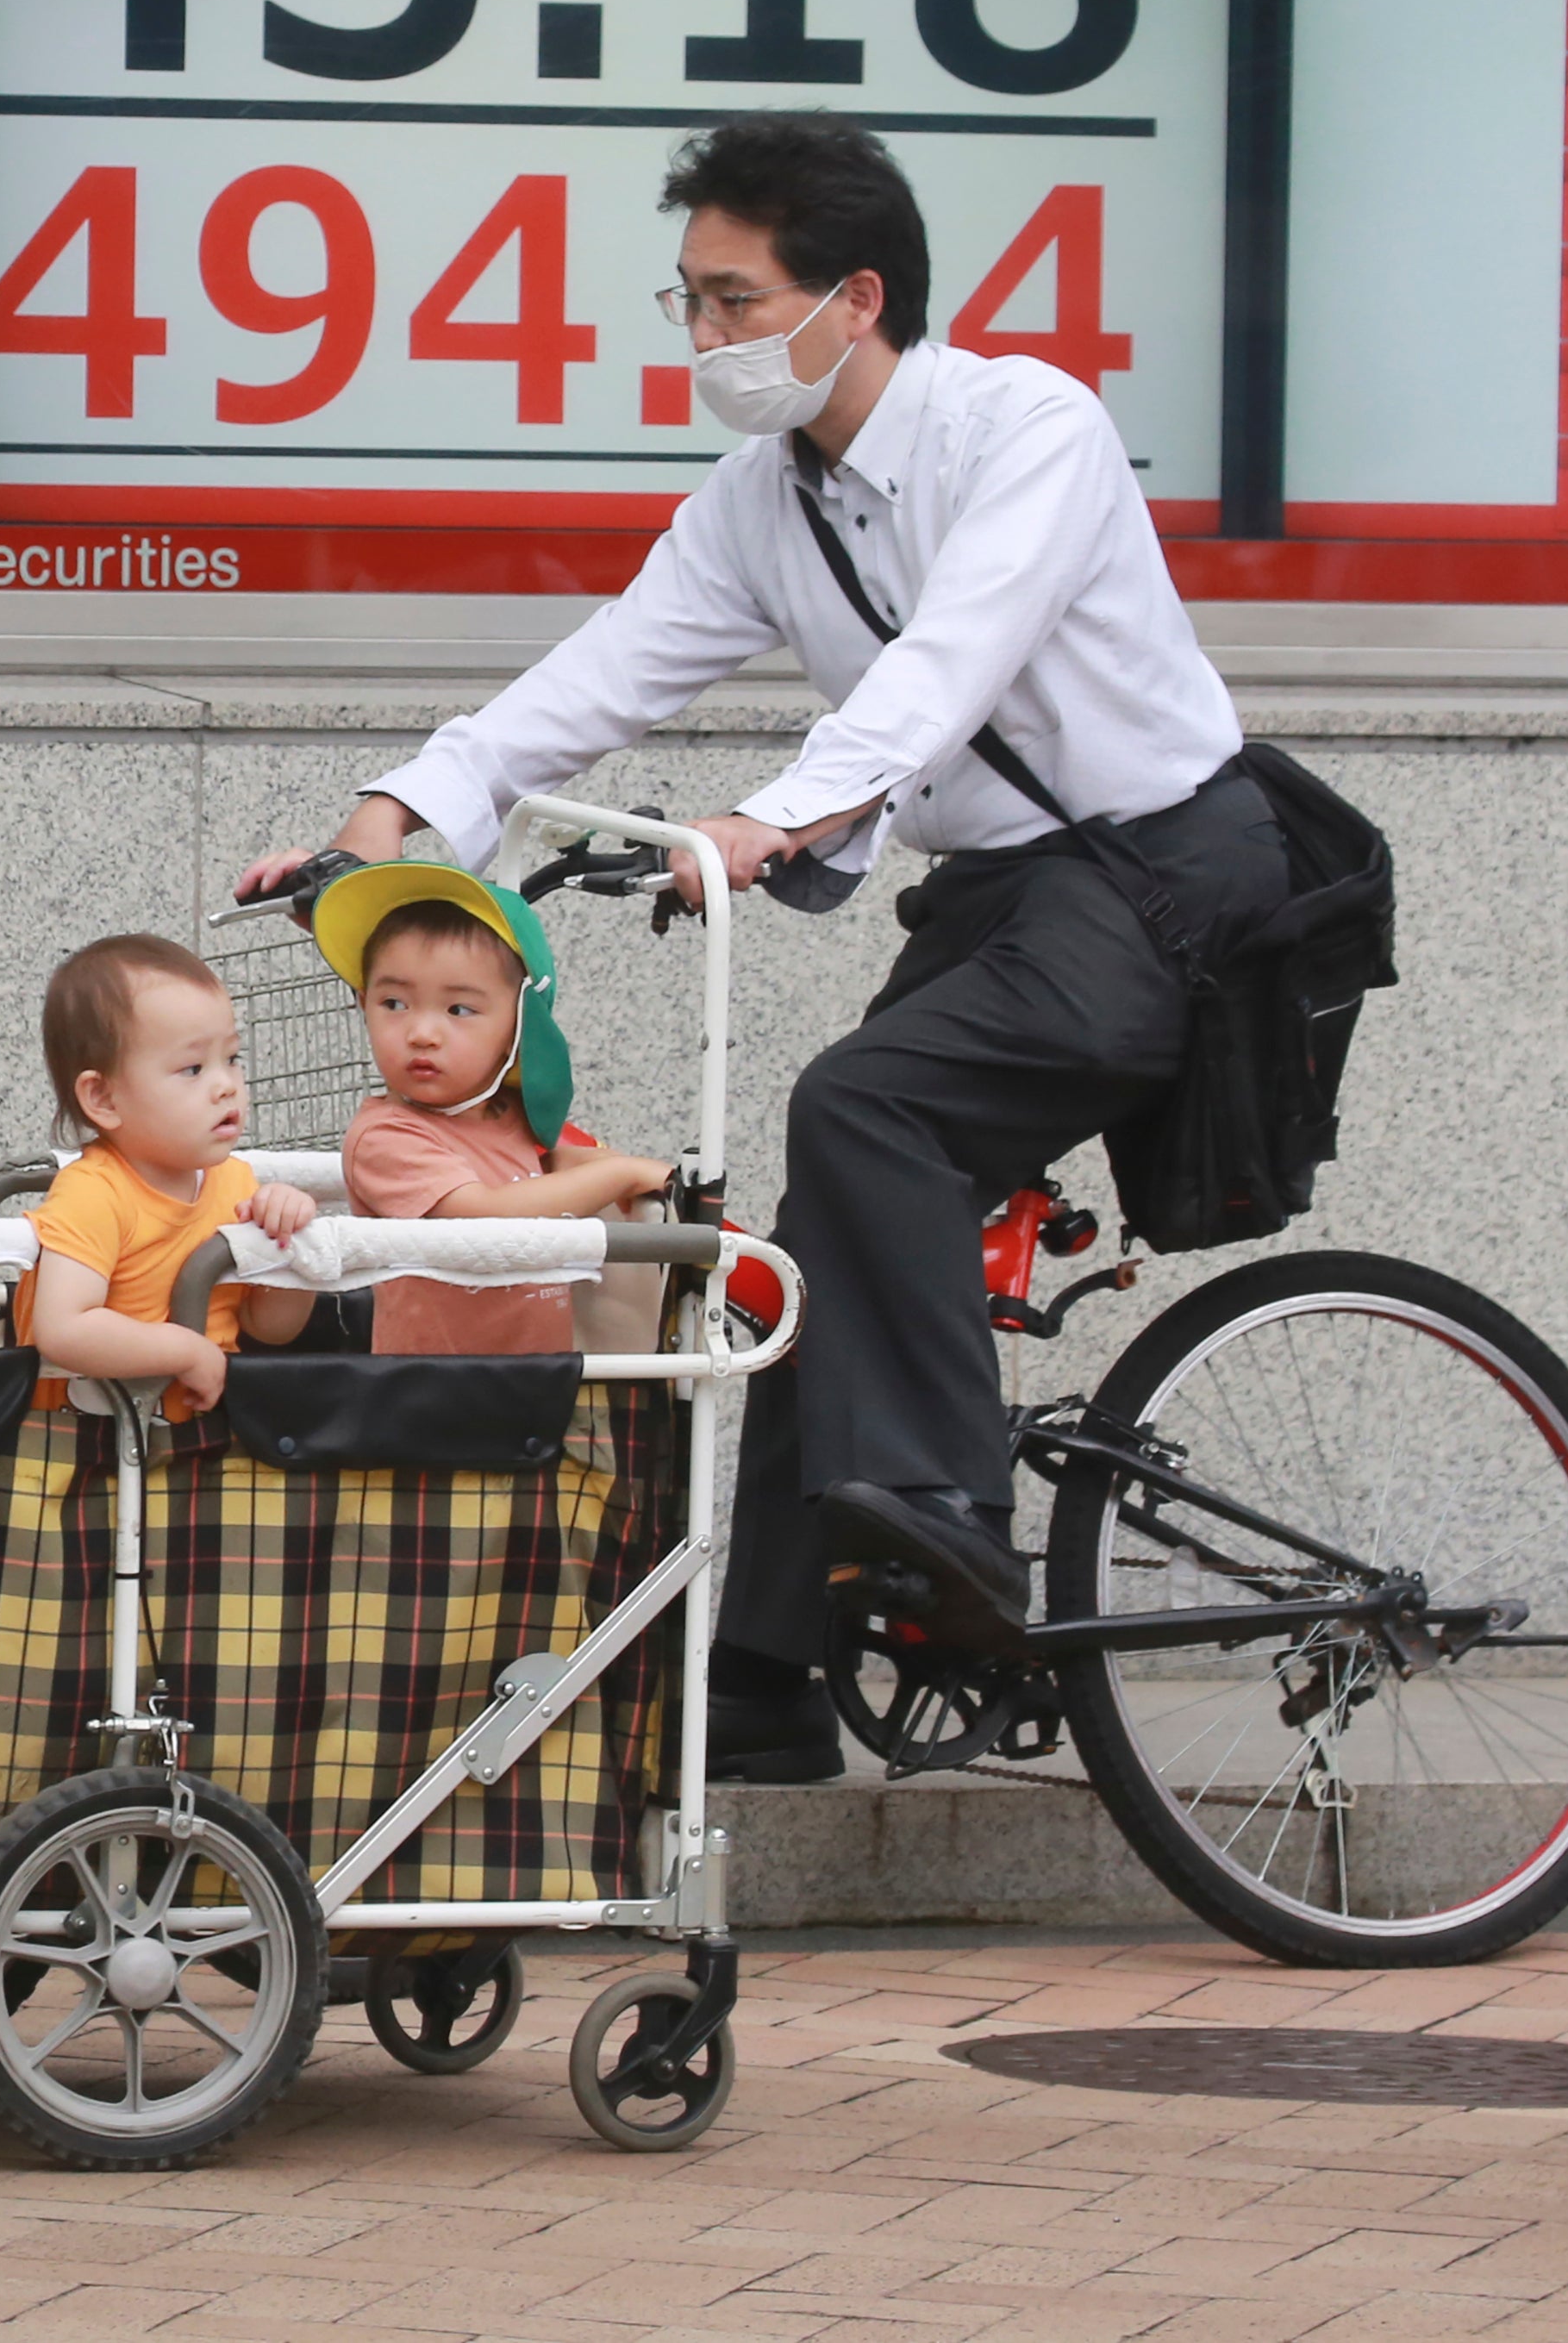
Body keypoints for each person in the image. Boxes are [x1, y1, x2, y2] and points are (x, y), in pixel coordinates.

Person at [237, 112, 1285, 1788]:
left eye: (733, 300)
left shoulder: (1029, 427)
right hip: (1008, 893)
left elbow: (943, 666)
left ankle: (952, 1531)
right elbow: (600, 672)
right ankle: (771, 1669)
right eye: (691, 304)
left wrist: (766, 821)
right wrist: (386, 817)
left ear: (852, 295)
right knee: (816, 1249)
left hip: (1165, 876)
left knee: (866, 1109)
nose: (707, 340)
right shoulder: (762, 501)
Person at [316, 866, 676, 1354]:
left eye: (458, 1010)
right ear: (363, 1003)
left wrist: (614, 1167)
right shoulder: (386, 1137)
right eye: (394, 1003)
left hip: (535, 1382)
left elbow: (537, 1169)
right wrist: (622, 1177)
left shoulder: (504, 1112)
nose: (421, 1032)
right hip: (441, 1397)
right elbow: (484, 1218)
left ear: (519, 1023)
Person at [19, 934, 321, 1418]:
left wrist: (292, 1249)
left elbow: (269, 1327)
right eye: (193, 1068)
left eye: (233, 1059)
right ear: (104, 1099)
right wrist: (183, 1349)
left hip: (197, 1443)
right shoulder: (94, 1192)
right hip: (89, 1452)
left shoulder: (237, 1182)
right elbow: (63, 1327)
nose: (226, 1086)